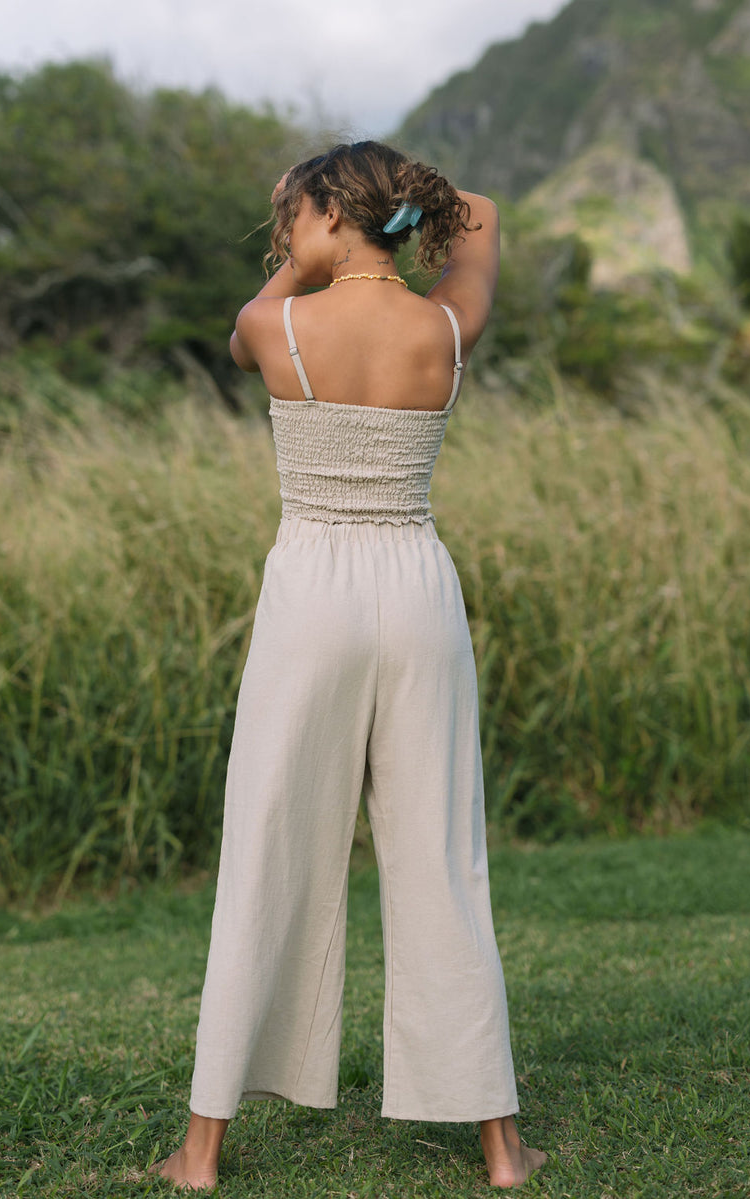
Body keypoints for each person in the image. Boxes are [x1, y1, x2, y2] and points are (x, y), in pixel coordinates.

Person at [154, 141, 547, 1190]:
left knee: (267, 839)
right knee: (441, 854)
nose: (281, 233)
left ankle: (199, 1152)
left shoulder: (274, 323)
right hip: (416, 584)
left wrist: (311, 235)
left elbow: (253, 320)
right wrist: (394, 208)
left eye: (290, 213)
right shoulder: (443, 327)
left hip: (313, 592)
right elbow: (481, 207)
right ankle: (501, 1146)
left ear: (328, 212)